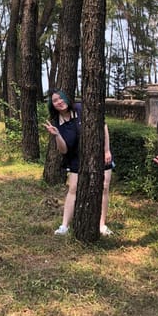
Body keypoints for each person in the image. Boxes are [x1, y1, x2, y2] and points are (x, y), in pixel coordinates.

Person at [44, 90, 114, 236]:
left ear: (66, 98)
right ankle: (64, 226)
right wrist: (56, 135)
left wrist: (106, 150)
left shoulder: (81, 108)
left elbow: (103, 125)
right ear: (52, 105)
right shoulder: (57, 122)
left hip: (98, 153)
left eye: (61, 98)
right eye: (55, 100)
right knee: (73, 188)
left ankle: (101, 225)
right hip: (76, 158)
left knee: (104, 187)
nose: (59, 102)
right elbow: (63, 150)